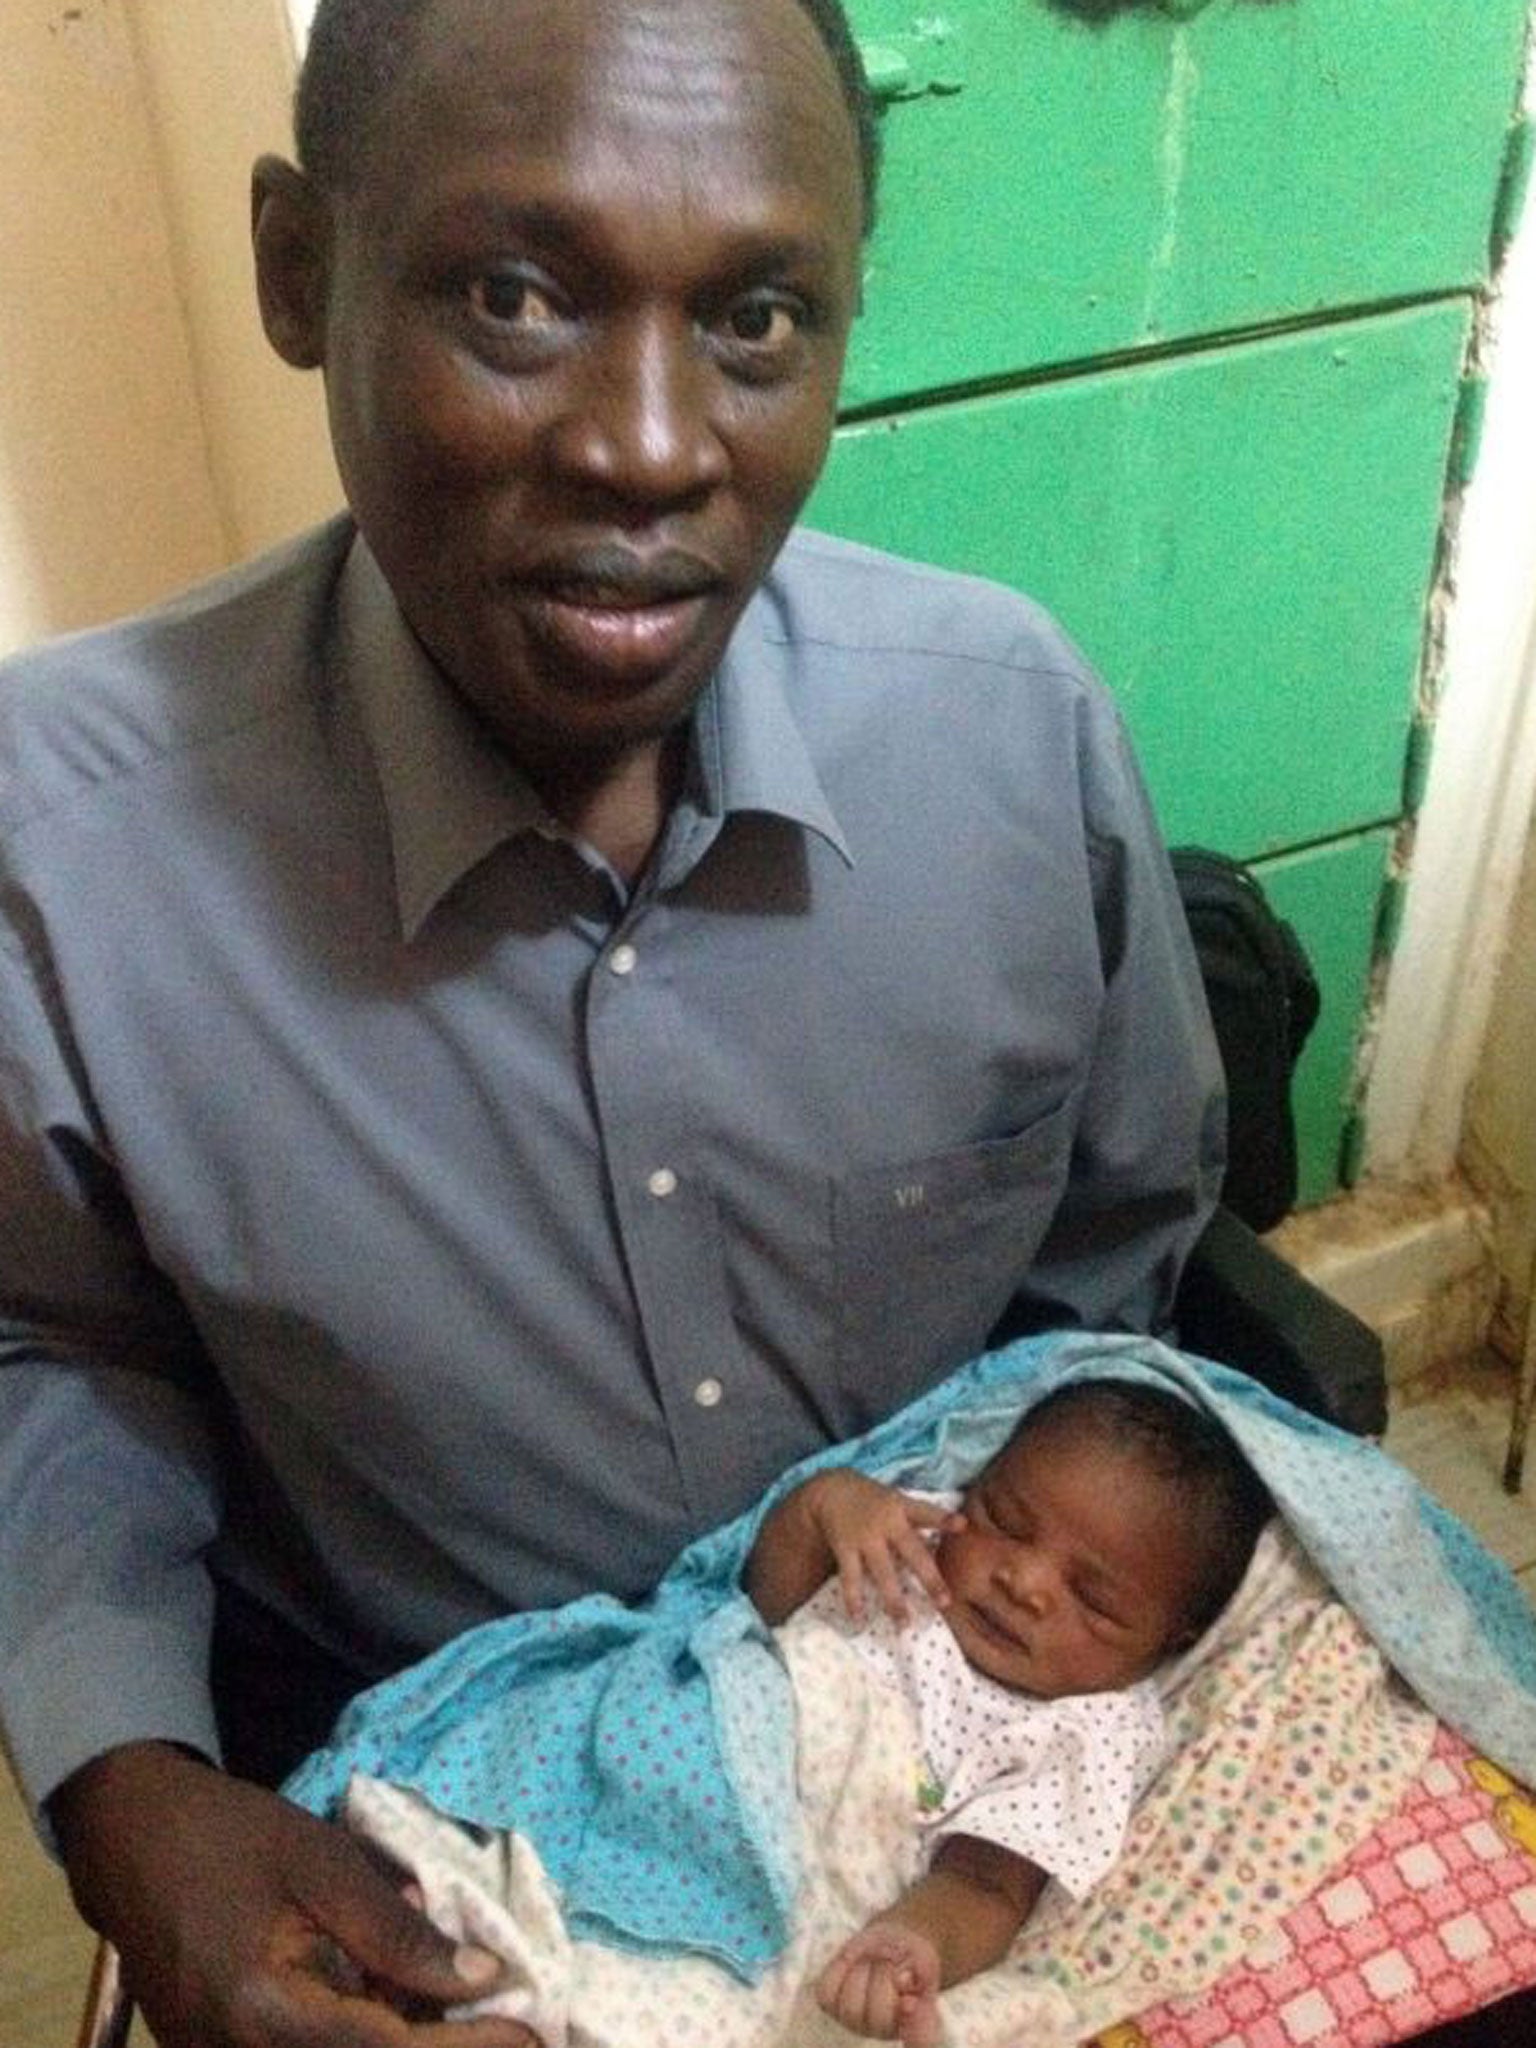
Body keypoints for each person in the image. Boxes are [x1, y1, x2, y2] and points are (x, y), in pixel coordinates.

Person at [0, 1, 1223, 2044]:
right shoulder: (63, 847)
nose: (654, 445)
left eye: (755, 317)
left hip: (931, 1809)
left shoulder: (1011, 742)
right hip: (435, 1825)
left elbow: (1114, 1284)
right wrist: (132, 1793)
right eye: (512, 294)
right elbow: (47, 1344)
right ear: (301, 274)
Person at [746, 1380, 1272, 2045]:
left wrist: (913, 1938)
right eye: (1005, 1522)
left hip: (795, 1893)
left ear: (1169, 1644)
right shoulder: (907, 1540)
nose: (1023, 1583)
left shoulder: (1088, 1734)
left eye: (1094, 1599)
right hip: (704, 1761)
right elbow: (759, 1611)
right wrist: (825, 1504)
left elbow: (984, 1886)